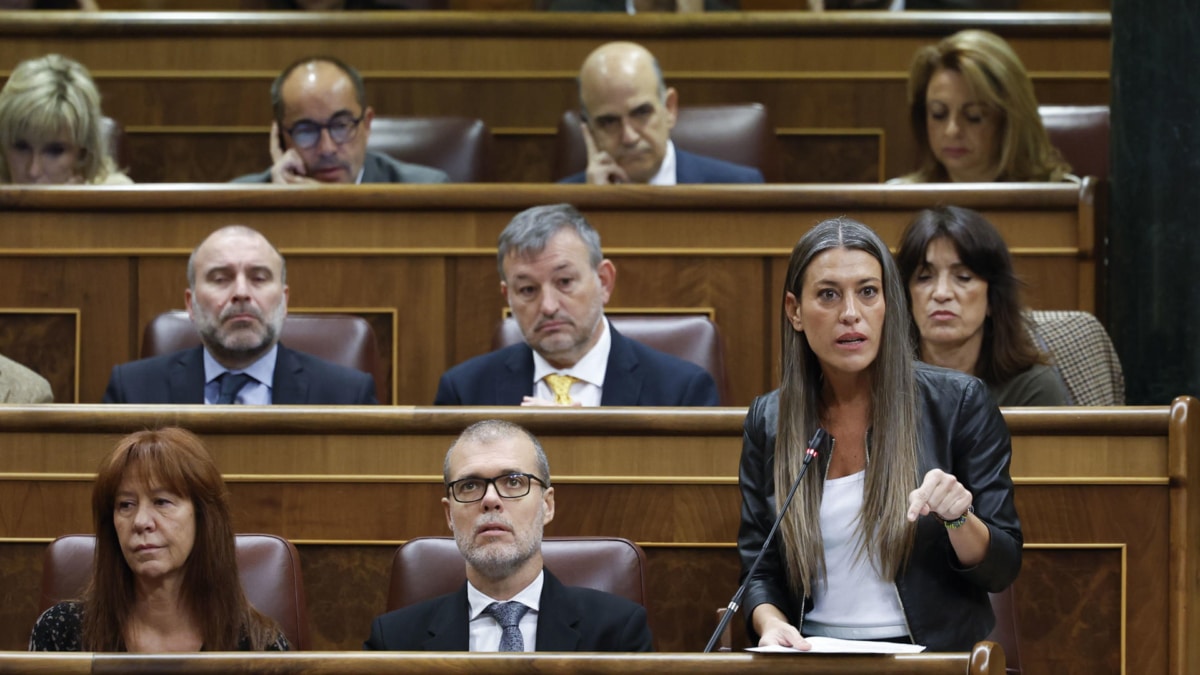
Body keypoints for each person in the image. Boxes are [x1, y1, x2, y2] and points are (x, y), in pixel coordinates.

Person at [737, 217, 1021, 651]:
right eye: (829, 294)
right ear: (795, 311)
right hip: (812, 657)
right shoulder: (769, 419)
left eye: (868, 292)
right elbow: (759, 568)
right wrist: (770, 624)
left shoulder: (959, 403)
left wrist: (958, 518)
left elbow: (1001, 569)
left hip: (931, 660)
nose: (851, 313)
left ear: (890, 303)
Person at [364, 419, 653, 651]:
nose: (491, 499)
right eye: (470, 486)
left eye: (513, 482)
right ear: (449, 515)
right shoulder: (393, 641)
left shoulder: (617, 632)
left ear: (547, 505)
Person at [29, 427, 289, 651]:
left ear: (203, 518)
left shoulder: (257, 646)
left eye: (162, 502)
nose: (141, 521)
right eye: (126, 505)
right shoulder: (61, 635)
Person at [434, 203, 719, 406]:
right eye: (528, 289)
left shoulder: (681, 391)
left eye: (565, 282)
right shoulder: (465, 392)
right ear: (507, 295)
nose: (548, 306)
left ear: (604, 281)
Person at [103, 225, 377, 405]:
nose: (242, 292)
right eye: (221, 279)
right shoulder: (132, 392)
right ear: (190, 304)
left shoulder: (346, 395)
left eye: (259, 278)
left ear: (284, 300)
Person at [896, 206, 1070, 406]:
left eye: (963, 277)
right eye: (924, 277)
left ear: (993, 299)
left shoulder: (1031, 387)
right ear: (906, 296)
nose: (941, 293)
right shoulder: (883, 380)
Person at [562, 42, 764, 185]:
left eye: (641, 112)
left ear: (669, 108)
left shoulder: (738, 187)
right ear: (589, 130)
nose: (629, 137)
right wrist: (593, 208)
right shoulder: (562, 207)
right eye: (609, 122)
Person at [231, 56, 448, 185]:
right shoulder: (240, 202)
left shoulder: (426, 193)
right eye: (306, 131)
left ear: (366, 124)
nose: (327, 148)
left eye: (341, 126)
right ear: (279, 138)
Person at [894, 30, 1072, 184]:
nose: (952, 130)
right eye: (938, 114)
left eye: (974, 116)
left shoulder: (1063, 200)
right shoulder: (896, 198)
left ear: (1009, 120)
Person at [0, 54, 131, 185]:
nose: (33, 171)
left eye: (55, 151)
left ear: (82, 154)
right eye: (21, 147)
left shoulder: (116, 196)